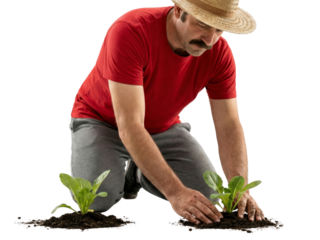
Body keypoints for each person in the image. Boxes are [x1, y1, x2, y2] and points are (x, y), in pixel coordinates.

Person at [68, 0, 265, 225]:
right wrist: (175, 192)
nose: (209, 40)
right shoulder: (130, 30)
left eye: (219, 29)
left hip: (163, 126)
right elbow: (129, 124)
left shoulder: (221, 53)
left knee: (210, 198)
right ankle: (133, 168)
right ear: (179, 10)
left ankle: (137, 172)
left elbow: (229, 123)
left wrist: (239, 189)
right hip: (101, 120)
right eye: (202, 24)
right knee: (97, 201)